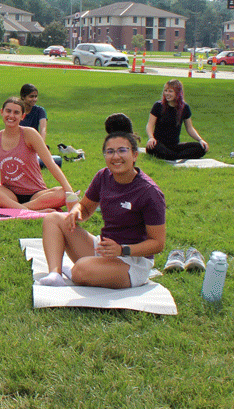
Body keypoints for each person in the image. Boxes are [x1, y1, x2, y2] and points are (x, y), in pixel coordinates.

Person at [40, 114, 166, 288]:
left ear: (135, 155)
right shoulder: (103, 176)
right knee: (53, 219)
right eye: (110, 151)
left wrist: (122, 250)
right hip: (103, 249)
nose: (116, 157)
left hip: (132, 261)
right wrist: (76, 212)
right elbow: (85, 207)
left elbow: (158, 244)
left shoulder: (149, 192)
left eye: (122, 150)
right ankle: (55, 274)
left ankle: (74, 270)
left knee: (81, 271)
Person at [0, 96, 73, 211]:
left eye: (16, 113)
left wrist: (69, 191)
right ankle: (32, 211)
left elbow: (50, 163)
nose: (11, 116)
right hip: (9, 194)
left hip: (36, 194)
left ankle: (17, 209)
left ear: (22, 116)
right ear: (2, 112)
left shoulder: (29, 134)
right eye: (8, 111)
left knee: (63, 193)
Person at [145, 79, 209, 161]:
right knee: (154, 148)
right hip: (158, 144)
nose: (167, 94)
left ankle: (174, 155)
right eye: (165, 91)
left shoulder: (184, 108)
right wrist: (151, 138)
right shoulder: (158, 106)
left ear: (178, 93)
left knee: (200, 148)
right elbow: (149, 125)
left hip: (174, 145)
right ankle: (176, 156)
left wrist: (200, 140)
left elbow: (190, 128)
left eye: (170, 91)